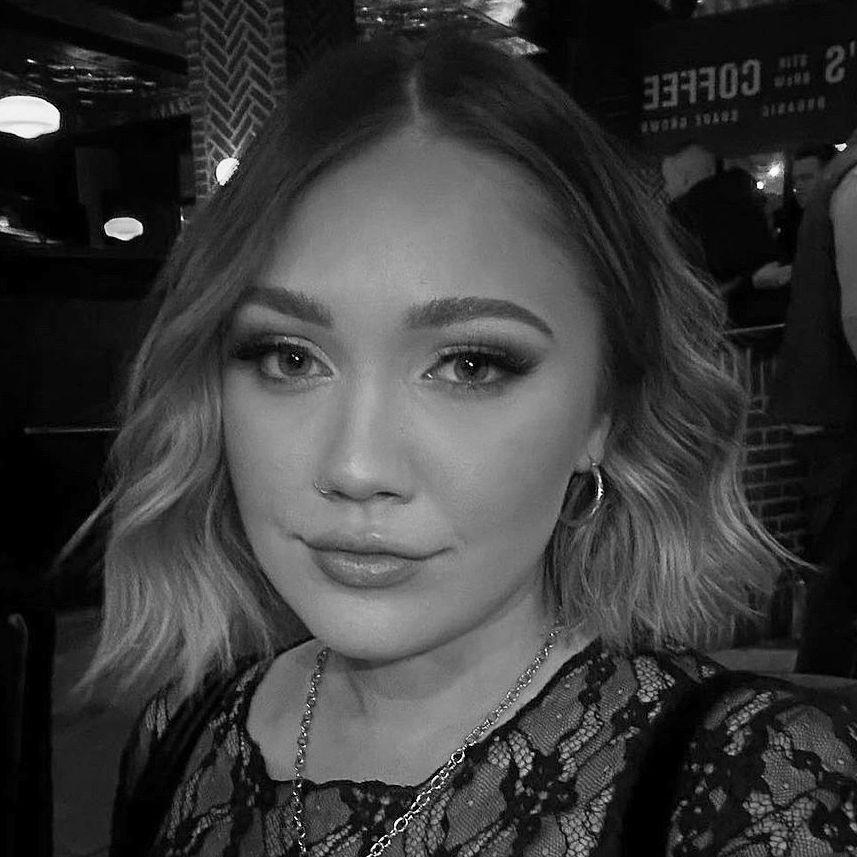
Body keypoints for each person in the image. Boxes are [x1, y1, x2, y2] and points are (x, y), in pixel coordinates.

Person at [79, 34, 857, 856]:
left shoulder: (758, 791)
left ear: (603, 410)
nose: (356, 467)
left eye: (469, 365)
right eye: (289, 357)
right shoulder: (180, 735)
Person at [772, 133, 857, 678]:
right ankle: (824, 711)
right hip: (841, 416)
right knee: (843, 586)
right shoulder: (855, 181)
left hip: (833, 412)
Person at [661, 143, 789, 326]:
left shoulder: (681, 217)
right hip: (773, 316)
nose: (666, 190)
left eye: (667, 181)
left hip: (721, 324)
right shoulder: (749, 200)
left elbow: (690, 292)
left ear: (685, 179)